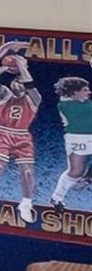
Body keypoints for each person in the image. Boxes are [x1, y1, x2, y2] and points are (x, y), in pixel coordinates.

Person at [0, 45, 44, 224]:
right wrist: (5, 67)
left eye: (20, 81)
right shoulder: (4, 93)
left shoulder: (34, 97)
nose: (16, 83)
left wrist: (22, 67)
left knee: (28, 172)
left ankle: (25, 203)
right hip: (2, 133)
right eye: (14, 81)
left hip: (23, 135)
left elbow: (29, 84)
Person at [52, 76, 92, 212]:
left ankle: (88, 178)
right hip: (78, 139)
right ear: (75, 92)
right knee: (75, 172)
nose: (89, 92)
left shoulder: (83, 101)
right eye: (85, 90)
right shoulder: (66, 105)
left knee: (80, 173)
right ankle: (57, 198)